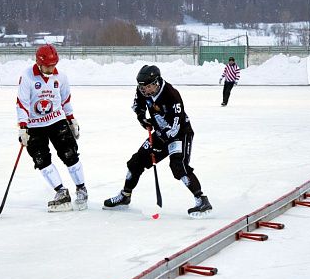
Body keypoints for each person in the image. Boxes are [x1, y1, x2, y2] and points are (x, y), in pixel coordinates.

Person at [103, 65, 212, 218]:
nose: (144, 91)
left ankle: (201, 200)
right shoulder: (142, 90)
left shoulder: (171, 95)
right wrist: (142, 119)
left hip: (180, 133)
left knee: (178, 166)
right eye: (142, 87)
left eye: (147, 87)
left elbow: (175, 126)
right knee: (136, 162)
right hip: (160, 132)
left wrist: (160, 144)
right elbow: (138, 106)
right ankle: (125, 195)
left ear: (156, 83)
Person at [16, 44, 87, 212]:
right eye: (48, 65)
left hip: (57, 120)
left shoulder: (61, 77)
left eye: (54, 65)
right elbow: (22, 103)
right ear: (38, 62)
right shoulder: (27, 77)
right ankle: (61, 192)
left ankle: (81, 188)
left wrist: (71, 119)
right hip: (34, 125)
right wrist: (23, 127)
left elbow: (65, 100)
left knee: (69, 154)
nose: (51, 68)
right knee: (41, 160)